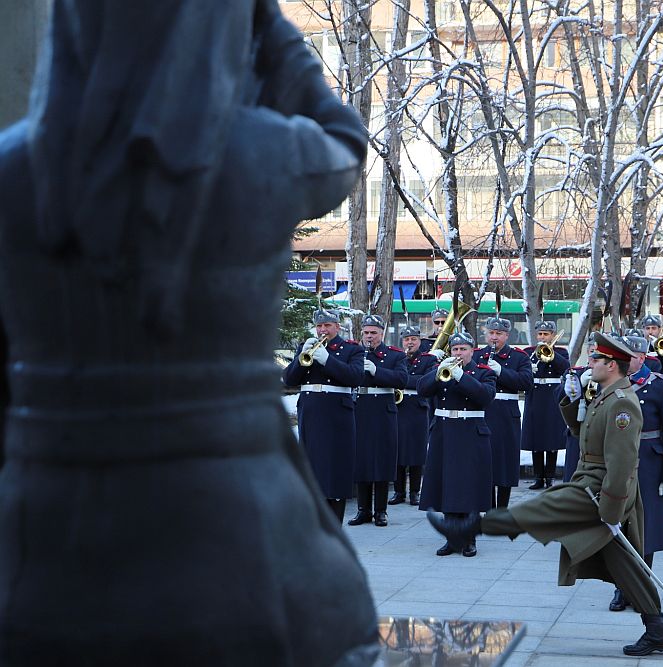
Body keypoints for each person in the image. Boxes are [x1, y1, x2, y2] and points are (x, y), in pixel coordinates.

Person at [0, 0, 380, 663]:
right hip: (247, 555)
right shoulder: (267, 153)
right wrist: (270, 30)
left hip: (42, 553)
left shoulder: (11, 170)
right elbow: (345, 139)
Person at [427, 333, 663, 657]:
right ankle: (657, 629)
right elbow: (580, 431)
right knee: (623, 561)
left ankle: (468, 529)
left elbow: (623, 463)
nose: (590, 364)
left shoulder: (622, 403)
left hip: (602, 488)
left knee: (544, 508)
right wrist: (572, 401)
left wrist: (611, 510)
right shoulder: (605, 393)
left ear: (612, 365)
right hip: (592, 479)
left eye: (596, 360)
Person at [606, 334, 663, 611]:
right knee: (617, 528)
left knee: (645, 529)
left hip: (649, 465)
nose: (625, 360)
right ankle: (621, 587)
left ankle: (641, 586)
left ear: (642, 357)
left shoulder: (659, 386)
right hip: (616, 465)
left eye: (631, 355)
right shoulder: (609, 383)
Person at [417, 332, 497, 557]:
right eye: (455, 349)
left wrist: (462, 376)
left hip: (471, 433)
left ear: (473, 350)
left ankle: (469, 539)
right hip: (444, 432)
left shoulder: (484, 372)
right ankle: (452, 539)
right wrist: (437, 372)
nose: (458, 353)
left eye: (463, 349)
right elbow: (422, 389)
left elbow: (485, 397)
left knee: (470, 486)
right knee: (447, 485)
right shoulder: (443, 371)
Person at [284, 309, 365, 524]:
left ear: (337, 327)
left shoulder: (351, 350)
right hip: (310, 415)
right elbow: (289, 379)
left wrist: (327, 359)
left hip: (337, 416)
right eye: (319, 326)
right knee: (311, 468)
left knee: (335, 469)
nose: (322, 330)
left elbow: (355, 377)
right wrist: (302, 359)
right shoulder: (306, 347)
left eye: (327, 325)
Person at [349, 314, 408, 527]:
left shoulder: (394, 355)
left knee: (382, 460)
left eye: (373, 333)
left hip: (383, 409)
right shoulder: (355, 352)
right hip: (360, 408)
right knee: (361, 459)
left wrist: (377, 371)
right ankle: (363, 510)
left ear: (381, 333)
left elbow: (402, 379)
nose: (369, 337)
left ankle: (381, 511)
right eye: (366, 332)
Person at [473, 317, 533, 508]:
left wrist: (501, 372)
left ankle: (503, 507)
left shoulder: (519, 357)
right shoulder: (477, 355)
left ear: (507, 335)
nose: (494, 337)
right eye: (491, 333)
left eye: (499, 334)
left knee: (505, 461)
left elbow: (526, 383)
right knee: (486, 459)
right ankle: (488, 506)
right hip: (484, 412)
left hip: (507, 414)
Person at [390, 324, 437, 506]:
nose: (410, 342)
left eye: (414, 339)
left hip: (418, 409)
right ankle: (399, 492)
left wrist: (402, 380)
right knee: (398, 451)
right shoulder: (397, 358)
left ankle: (415, 492)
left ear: (419, 341)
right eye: (407, 339)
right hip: (398, 408)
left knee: (416, 453)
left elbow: (427, 380)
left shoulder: (427, 359)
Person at [521, 321, 571, 489]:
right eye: (540, 334)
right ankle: (538, 477)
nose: (542, 337)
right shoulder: (529, 352)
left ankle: (549, 477)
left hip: (552, 395)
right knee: (536, 438)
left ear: (552, 335)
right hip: (535, 395)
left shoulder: (561, 352)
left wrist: (551, 355)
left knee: (551, 437)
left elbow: (565, 368)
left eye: (546, 334)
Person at [558, 333, 597, 482]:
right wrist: (578, 383)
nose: (595, 356)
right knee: (572, 479)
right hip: (577, 433)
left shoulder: (612, 377)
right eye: (592, 351)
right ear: (587, 352)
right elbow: (559, 398)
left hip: (599, 433)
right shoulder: (576, 372)